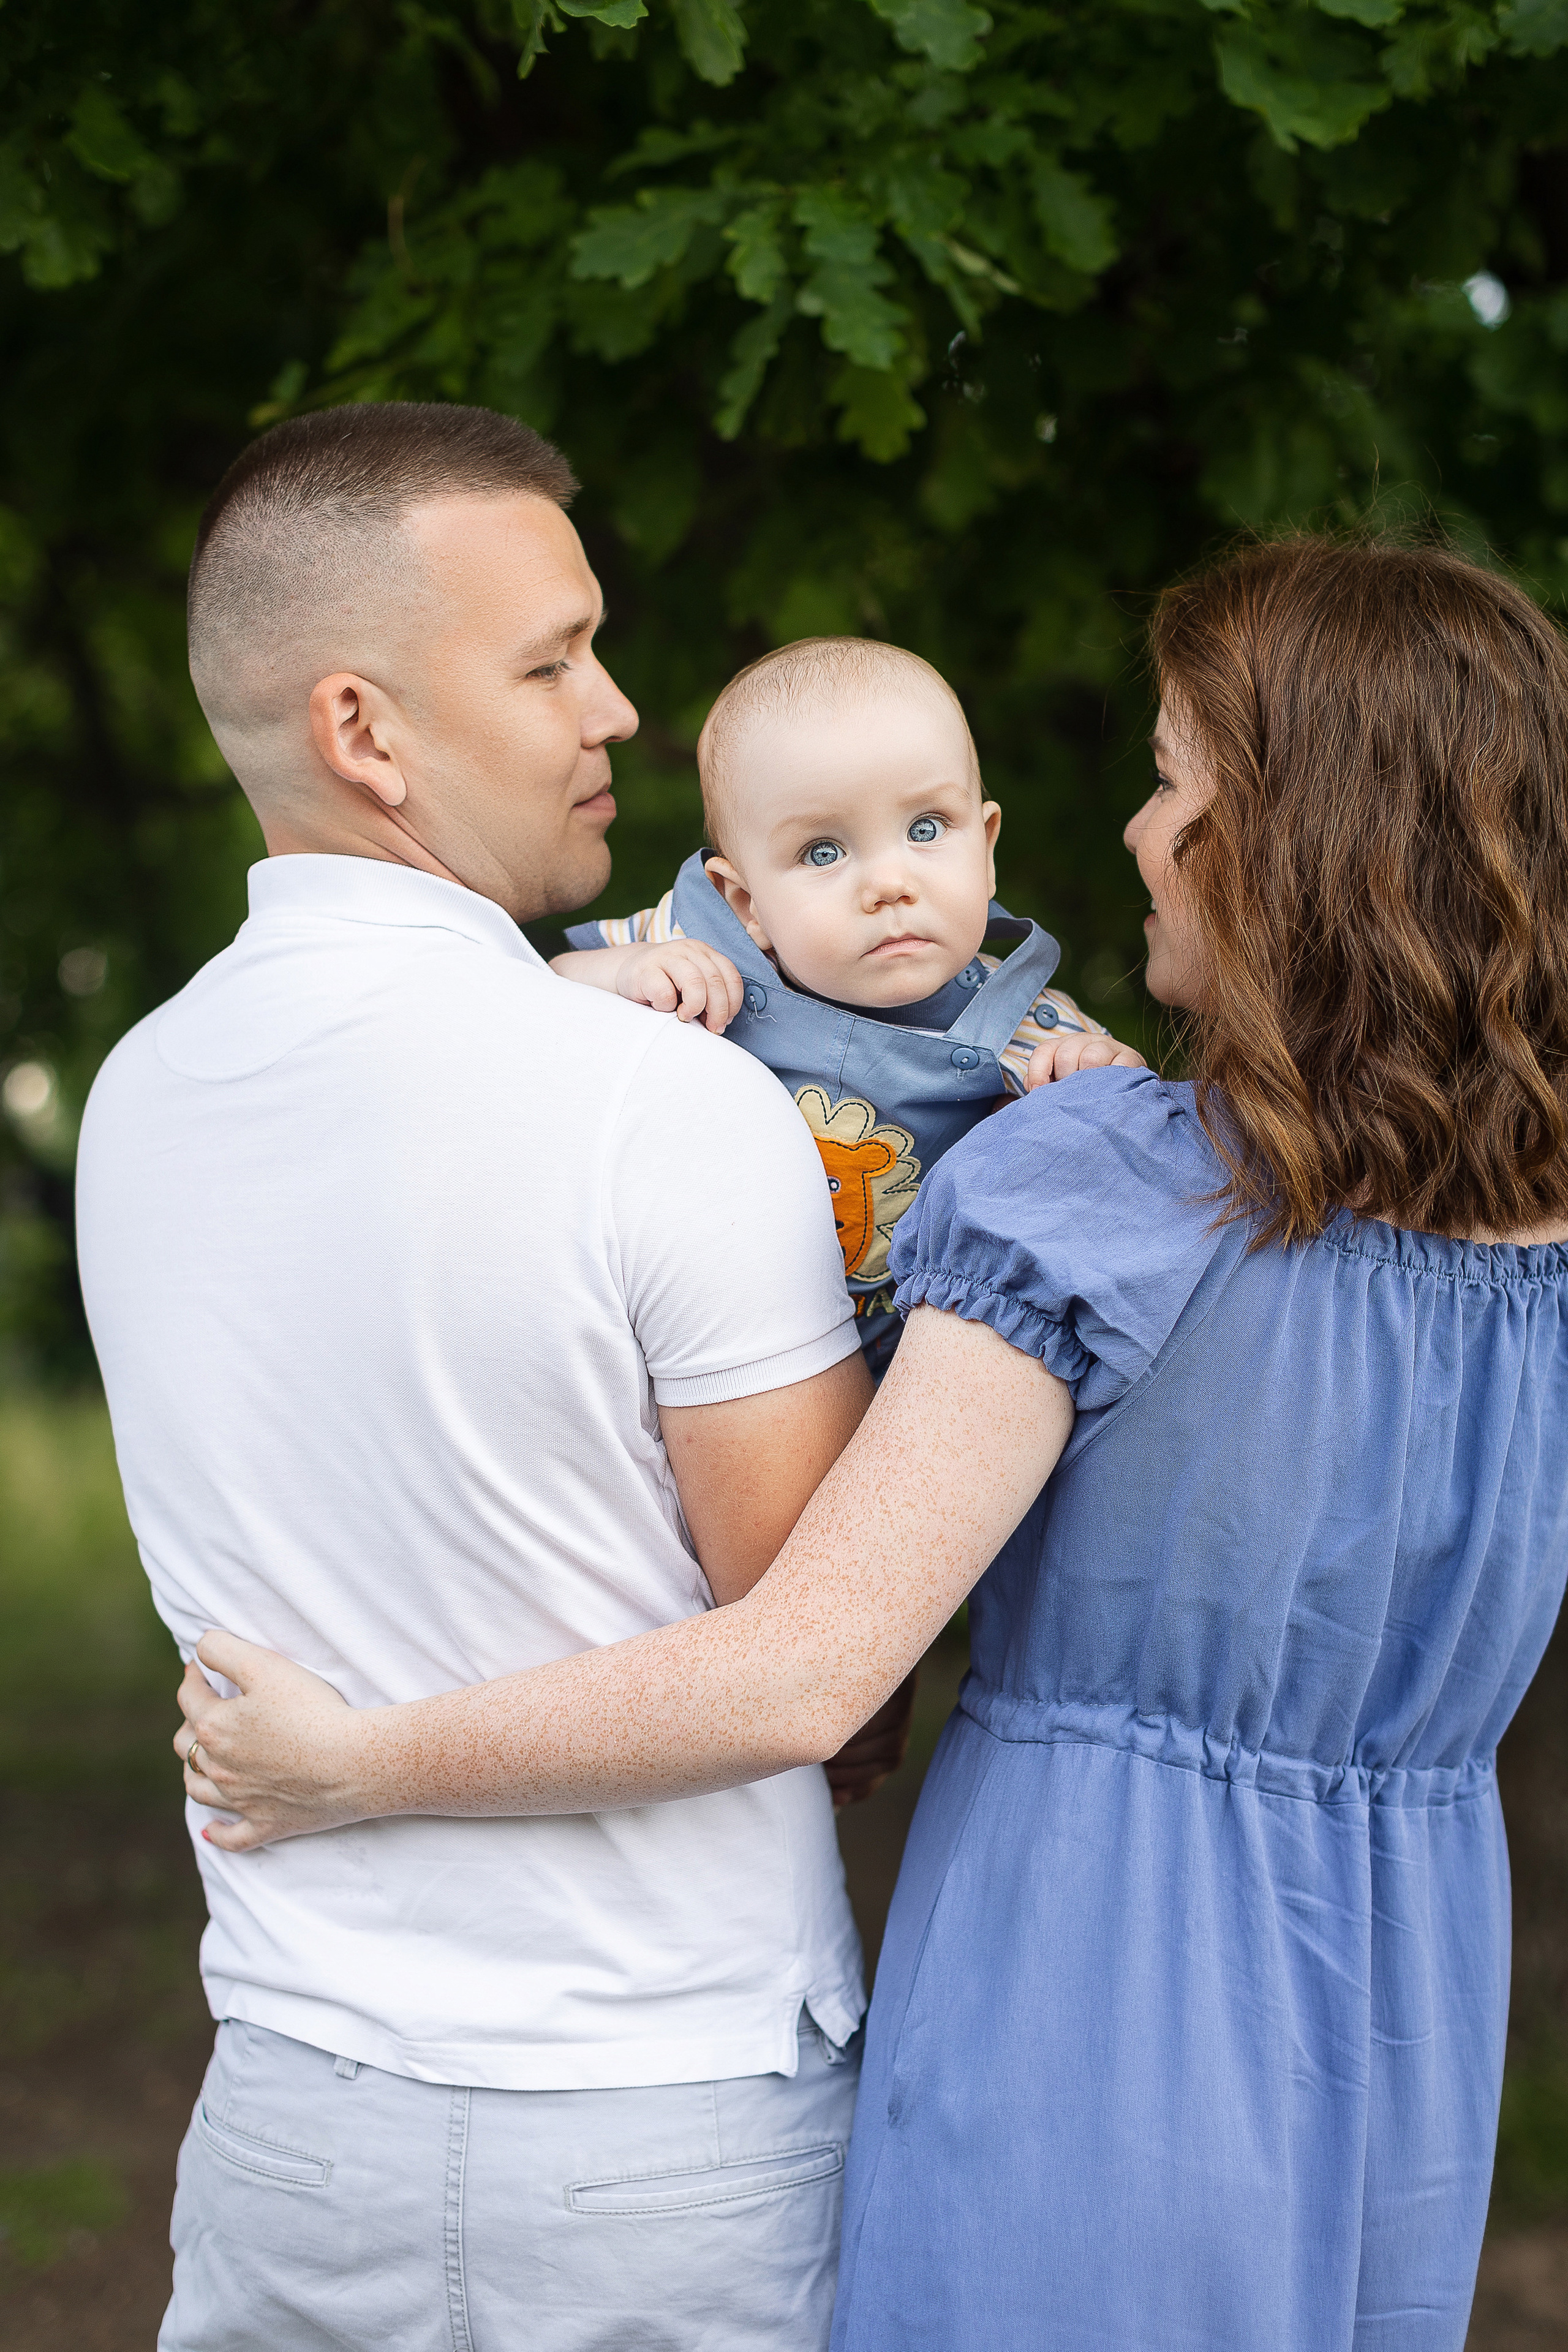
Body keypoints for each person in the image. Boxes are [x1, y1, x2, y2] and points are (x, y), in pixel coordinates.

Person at [177, 534, 1568, 2351]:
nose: (1137, 831)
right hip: (1405, 2019)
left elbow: (806, 1670)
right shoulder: (1536, 1261)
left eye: (1171, 782)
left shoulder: (1105, 1187)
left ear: (1294, 837)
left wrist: (352, 1762)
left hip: (1094, 1996)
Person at [75, 399, 919, 2352]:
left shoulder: (139, 1098)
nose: (617, 709)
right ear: (365, 730)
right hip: (657, 2125)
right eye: (553, 661)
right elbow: (831, 1667)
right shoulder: (663, 1102)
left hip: (292, 2116)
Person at [551, 635, 1141, 1373]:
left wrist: (1099, 1072)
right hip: (724, 1351)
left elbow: (1132, 1136)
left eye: (926, 829)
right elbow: (548, 989)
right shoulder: (699, 947)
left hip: (923, 1373)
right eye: (823, 852)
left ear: (987, 849)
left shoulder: (1020, 1021)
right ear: (747, 903)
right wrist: (626, 970)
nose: (890, 884)